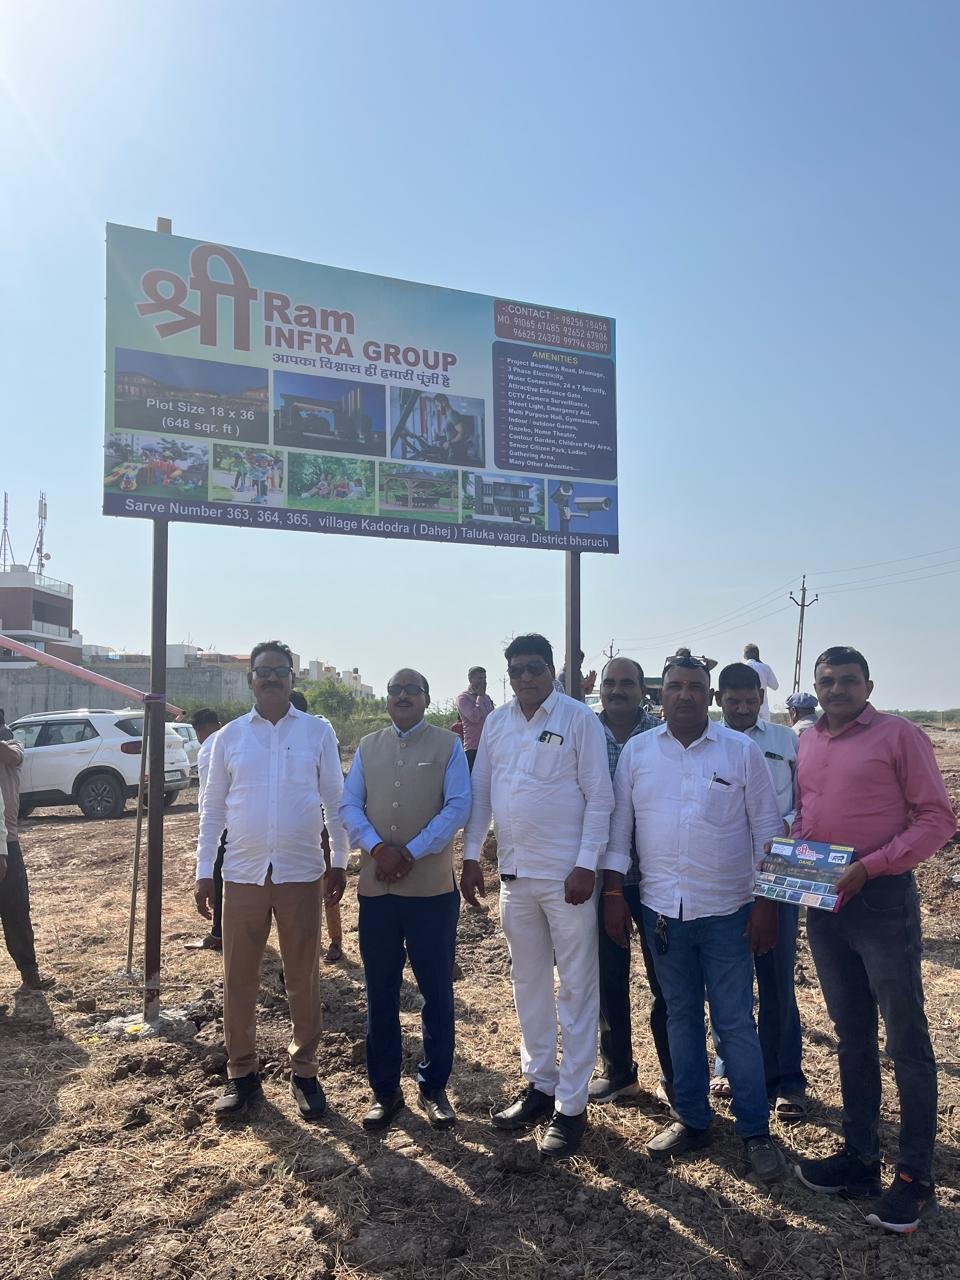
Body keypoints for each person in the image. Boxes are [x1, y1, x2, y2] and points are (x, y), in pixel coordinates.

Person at [603, 655, 787, 1181]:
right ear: (660, 696)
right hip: (662, 913)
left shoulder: (740, 751)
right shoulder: (638, 752)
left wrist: (767, 904)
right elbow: (620, 830)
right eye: (675, 686)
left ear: (709, 696)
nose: (684, 694)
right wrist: (613, 893)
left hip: (729, 912)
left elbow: (768, 830)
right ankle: (692, 1118)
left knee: (735, 1022)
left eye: (694, 687)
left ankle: (755, 1129)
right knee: (680, 1016)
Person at [793, 646, 956, 1234]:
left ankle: (914, 1179)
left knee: (905, 1040)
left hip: (882, 900)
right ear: (815, 687)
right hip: (825, 903)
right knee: (851, 1035)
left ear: (868, 685)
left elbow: (937, 818)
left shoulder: (899, 735)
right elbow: (807, 813)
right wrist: (791, 855)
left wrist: (873, 865)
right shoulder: (808, 741)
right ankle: (861, 1158)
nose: (836, 689)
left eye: (847, 680)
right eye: (826, 681)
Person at [461, 633, 614, 1157]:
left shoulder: (578, 719)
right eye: (517, 669)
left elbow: (600, 797)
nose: (525, 677)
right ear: (508, 675)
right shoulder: (498, 723)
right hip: (514, 877)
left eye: (534, 667)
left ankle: (571, 1106)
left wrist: (586, 863)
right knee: (527, 984)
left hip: (568, 880)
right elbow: (482, 793)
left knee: (576, 988)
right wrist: (470, 856)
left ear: (551, 670)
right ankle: (540, 1086)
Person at [195, 641, 349, 1122]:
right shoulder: (229, 738)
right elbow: (212, 809)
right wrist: (204, 871)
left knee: (302, 976)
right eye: (263, 671)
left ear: (292, 679)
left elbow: (335, 801)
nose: (272, 678)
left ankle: (305, 1072)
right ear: (251, 680)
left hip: (301, 872)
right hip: (242, 873)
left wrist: (340, 860)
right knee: (238, 977)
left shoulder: (317, 732)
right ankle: (242, 1074)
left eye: (281, 670)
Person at [341, 669, 471, 1131]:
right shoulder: (368, 746)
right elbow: (349, 805)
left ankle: (434, 1087)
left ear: (426, 698)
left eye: (411, 690)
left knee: (436, 991)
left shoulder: (448, 746)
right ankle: (385, 1092)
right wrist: (378, 849)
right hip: (377, 891)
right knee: (380, 991)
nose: (401, 696)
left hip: (431, 892)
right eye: (394, 690)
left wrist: (411, 852)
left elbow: (458, 806)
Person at [712, 663, 805, 1120]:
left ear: (760, 698)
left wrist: (782, 827)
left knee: (777, 977)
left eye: (751, 700)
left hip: (778, 866)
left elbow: (806, 800)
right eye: (734, 701)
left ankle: (787, 1078)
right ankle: (729, 1066)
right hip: (725, 873)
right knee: (727, 980)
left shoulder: (787, 741)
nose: (743, 708)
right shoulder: (708, 742)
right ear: (719, 699)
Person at [589, 659, 674, 1109]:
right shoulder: (583, 732)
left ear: (644, 690)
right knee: (608, 979)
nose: (617, 690)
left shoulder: (663, 736)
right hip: (600, 876)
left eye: (627, 683)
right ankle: (619, 1072)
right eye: (610, 682)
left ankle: (676, 1077)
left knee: (667, 983)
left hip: (657, 878)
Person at [288, 690, 344, 963]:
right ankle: (302, 945)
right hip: (292, 829)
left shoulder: (319, 734)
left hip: (319, 824)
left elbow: (332, 789)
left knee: (327, 881)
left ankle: (335, 940)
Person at [0, 719, 53, 990]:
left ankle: (29, 973)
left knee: (16, 910)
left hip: (7, 840)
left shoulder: (11, 746)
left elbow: (14, 756)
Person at [184, 708, 224, 951]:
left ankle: (219, 933)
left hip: (220, 825)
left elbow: (211, 794)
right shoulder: (230, 740)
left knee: (217, 880)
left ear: (198, 731)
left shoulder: (209, 749)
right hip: (231, 823)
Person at [456, 667, 495, 771]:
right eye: (480, 678)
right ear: (471, 679)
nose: (484, 681)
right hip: (473, 748)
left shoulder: (487, 697)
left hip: (489, 746)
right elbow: (474, 717)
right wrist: (480, 697)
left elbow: (492, 718)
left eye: (485, 678)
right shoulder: (463, 698)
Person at [743, 644, 779, 720]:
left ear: (746, 655)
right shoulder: (765, 667)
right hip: (763, 708)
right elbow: (775, 686)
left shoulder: (743, 667)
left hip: (748, 708)